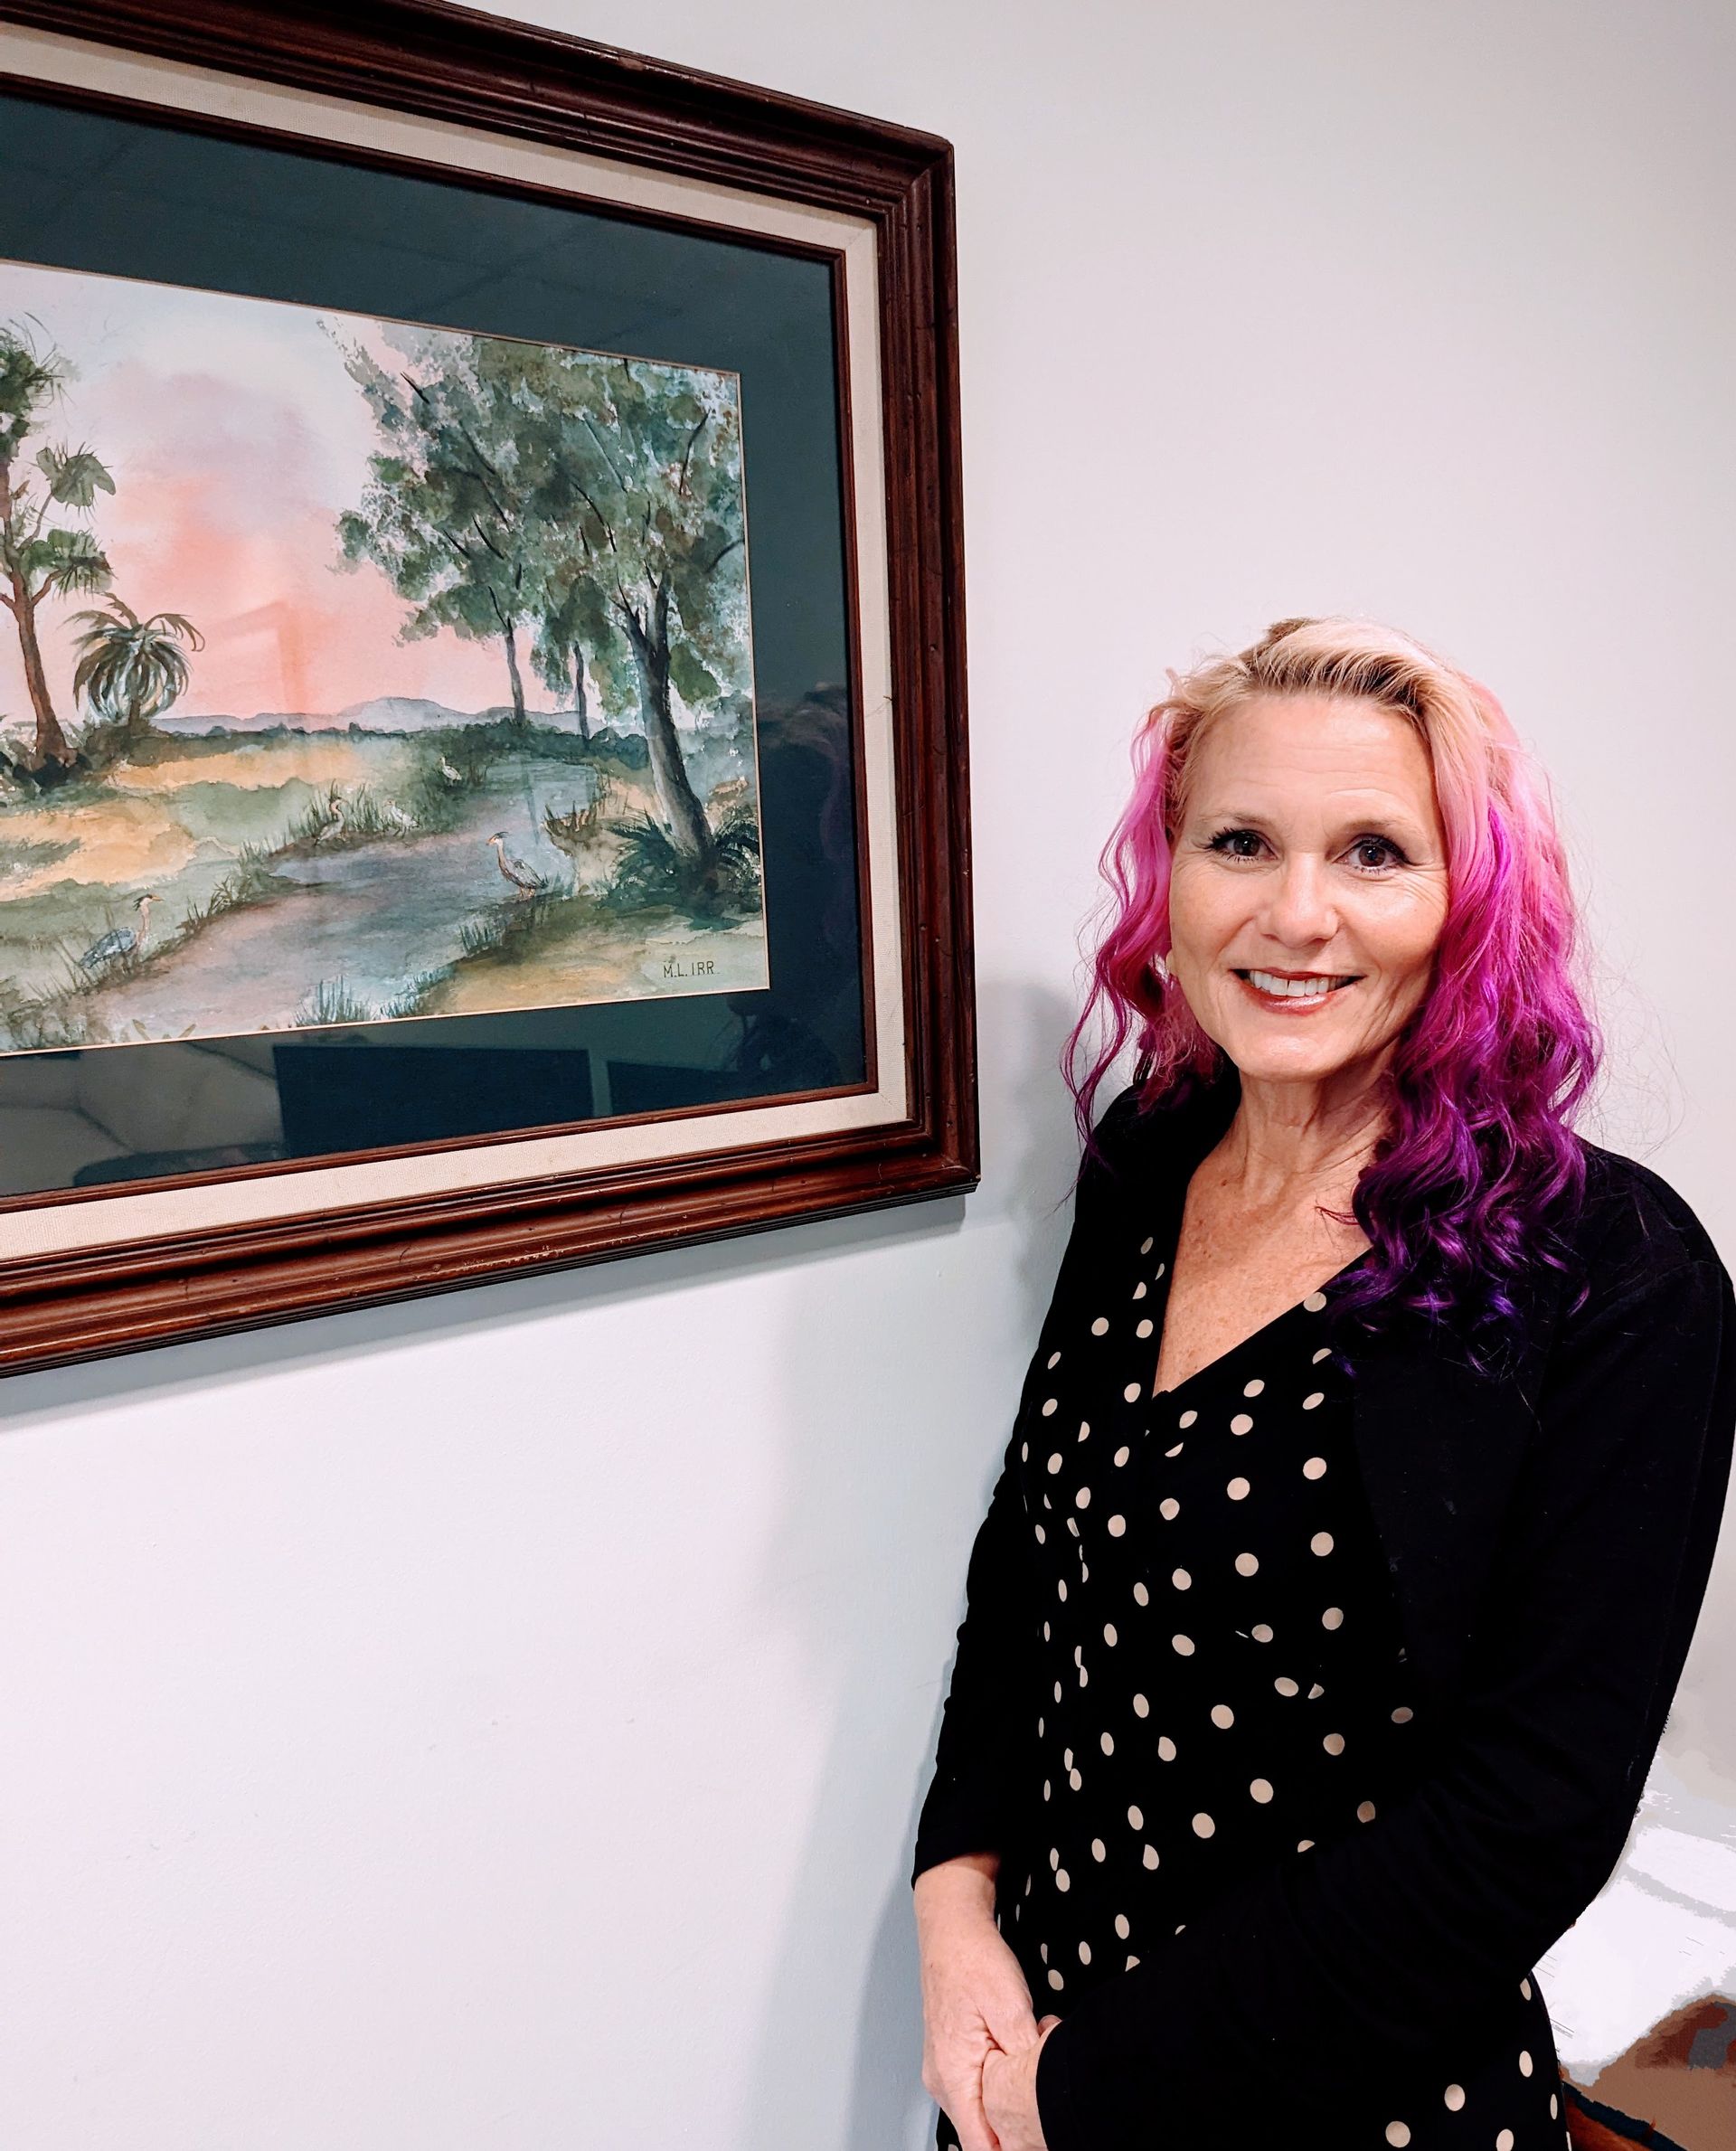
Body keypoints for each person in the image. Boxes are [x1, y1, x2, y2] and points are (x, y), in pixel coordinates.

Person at [910, 617, 1736, 2151]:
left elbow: (1527, 1819)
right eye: (1241, 842)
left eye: (1375, 853)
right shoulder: (1149, 1159)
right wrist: (955, 1902)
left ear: (1470, 902)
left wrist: (1088, 2090)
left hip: (1339, 2096)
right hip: (1030, 2046)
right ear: (1171, 874)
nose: (1297, 916)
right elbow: (1034, 1567)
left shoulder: (1612, 1270)